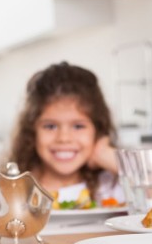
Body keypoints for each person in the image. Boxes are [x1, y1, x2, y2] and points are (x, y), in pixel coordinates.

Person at [8, 61, 124, 205]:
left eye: (78, 126)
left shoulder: (111, 184)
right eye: (50, 126)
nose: (64, 138)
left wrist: (108, 156)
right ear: (32, 132)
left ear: (98, 130)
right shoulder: (16, 189)